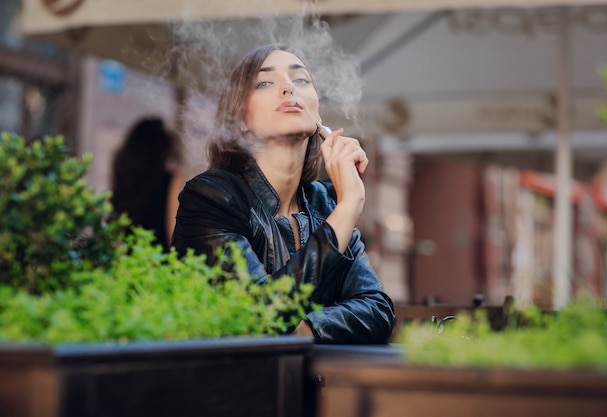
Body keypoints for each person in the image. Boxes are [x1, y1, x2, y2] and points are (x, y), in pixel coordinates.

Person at [172, 44, 395, 344]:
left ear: (318, 115)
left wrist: (304, 329)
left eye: (300, 80)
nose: (289, 87)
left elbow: (377, 310)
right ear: (240, 119)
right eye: (265, 82)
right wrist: (349, 206)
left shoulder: (326, 202)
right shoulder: (211, 197)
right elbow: (260, 315)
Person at [111, 117, 185, 249]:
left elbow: (114, 233)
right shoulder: (171, 180)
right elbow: (173, 234)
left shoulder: (124, 179)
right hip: (156, 264)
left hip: (125, 264)